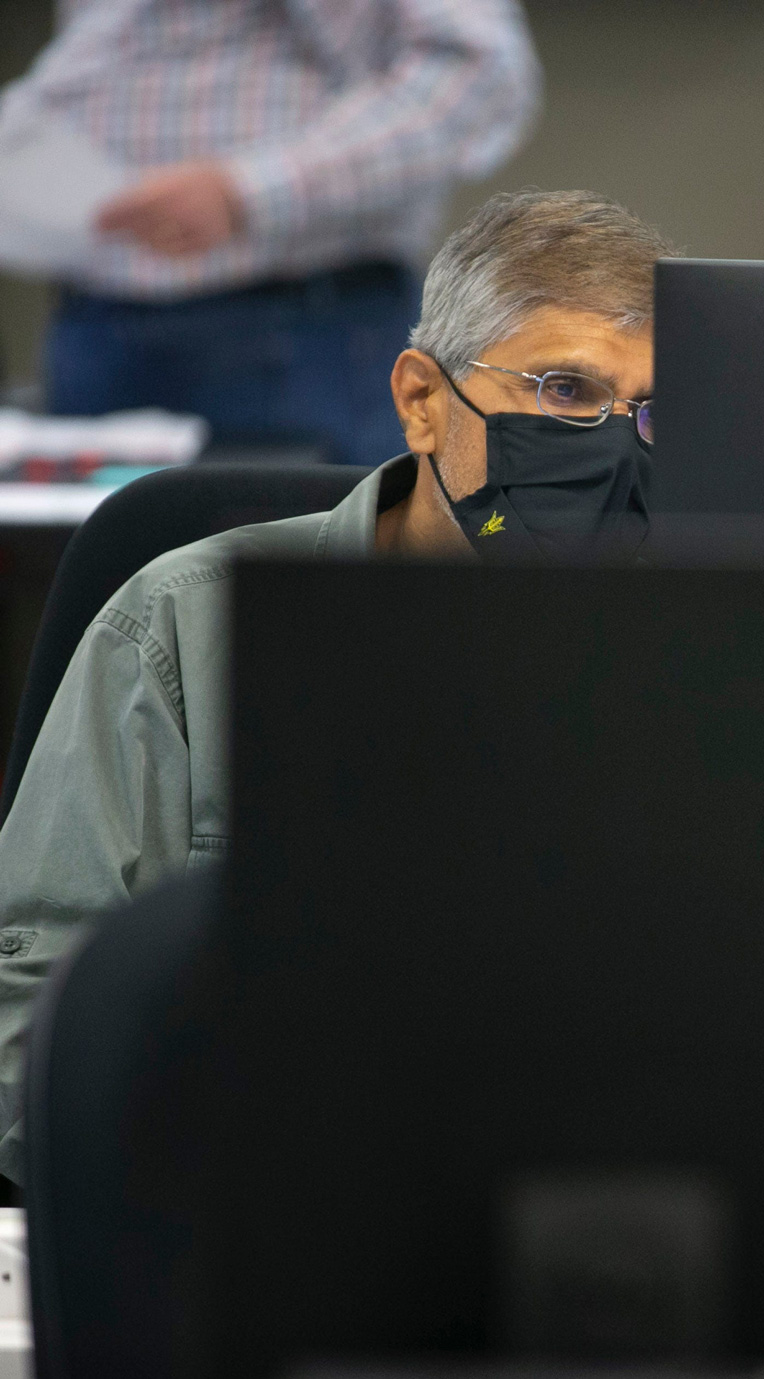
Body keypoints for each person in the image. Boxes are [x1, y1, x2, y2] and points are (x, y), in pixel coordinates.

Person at [0, 189, 670, 1183]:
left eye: (649, 412)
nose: (612, 444)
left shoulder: (708, 646)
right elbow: (27, 1027)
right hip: (237, 1211)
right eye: (564, 390)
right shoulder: (185, 619)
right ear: (421, 402)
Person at [0, 0, 541, 465]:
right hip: (92, 324)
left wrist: (251, 192)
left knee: (313, 583)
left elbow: (480, 78)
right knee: (92, 582)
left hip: (308, 330)